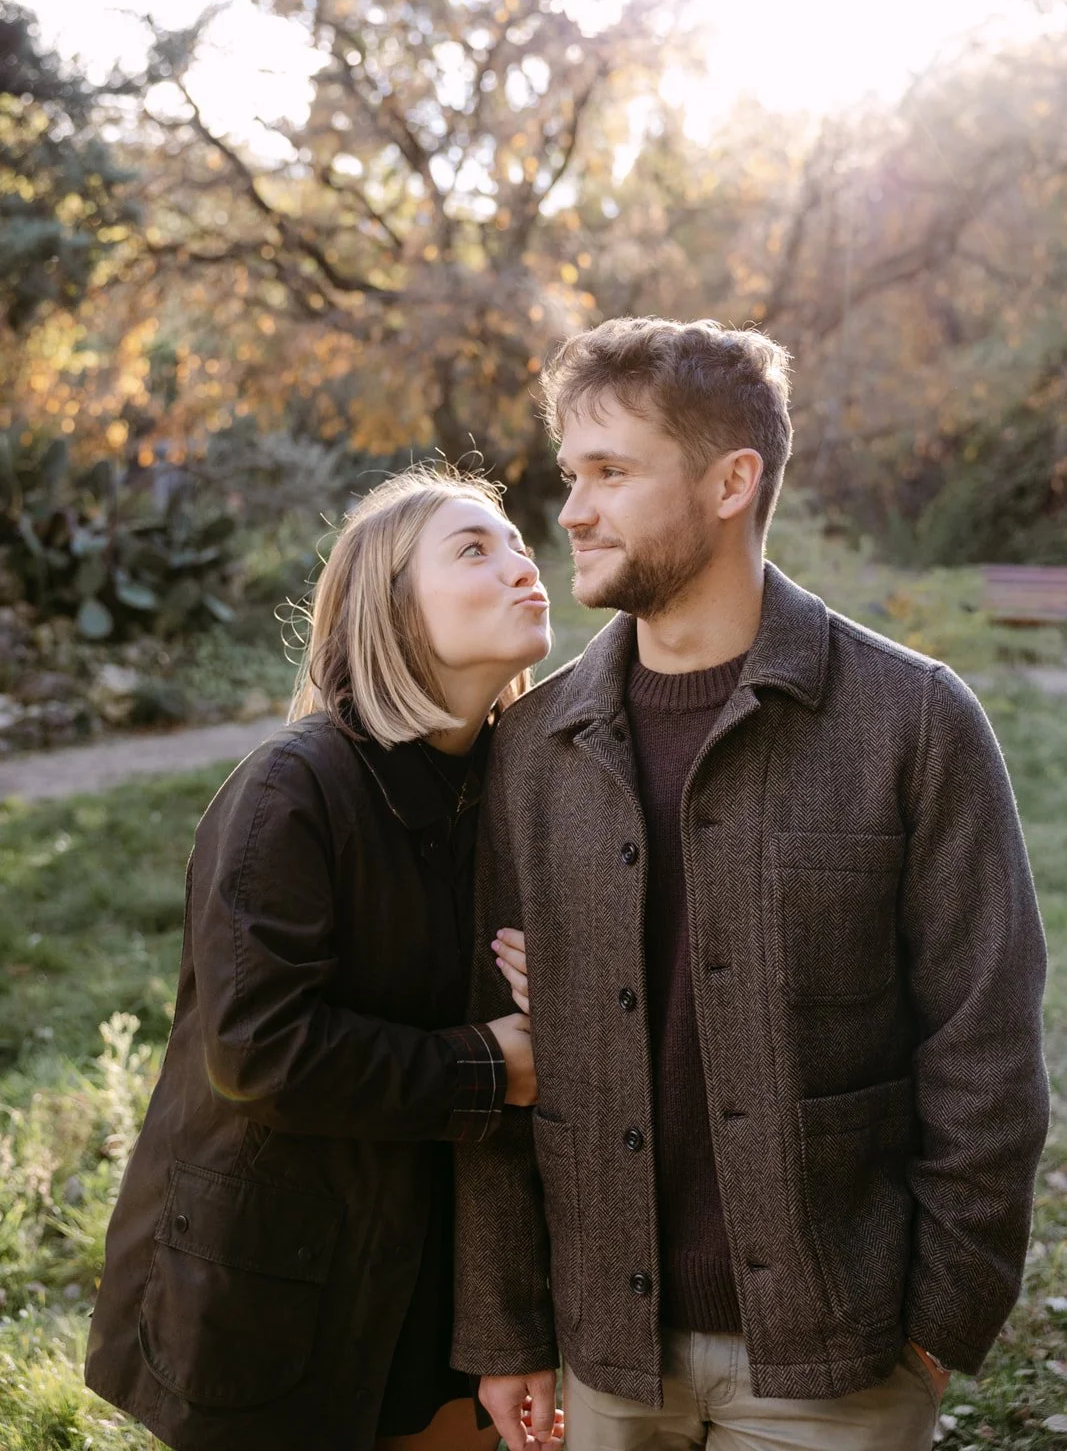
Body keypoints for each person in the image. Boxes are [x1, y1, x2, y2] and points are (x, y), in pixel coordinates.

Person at [452, 317, 1049, 1451]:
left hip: (837, 1358)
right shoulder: (531, 747)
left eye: (611, 473)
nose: (571, 511)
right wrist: (507, 1327)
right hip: (603, 1353)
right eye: (570, 476)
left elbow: (985, 1044)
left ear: (731, 482)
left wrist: (937, 1319)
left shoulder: (912, 722)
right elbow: (495, 1057)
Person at [85, 466, 551, 1451]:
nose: (521, 564)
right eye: (474, 547)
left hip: (436, 1289)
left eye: (516, 541)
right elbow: (259, 1050)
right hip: (269, 1294)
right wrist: (491, 1066)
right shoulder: (291, 791)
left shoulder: (521, 792)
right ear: (390, 606)